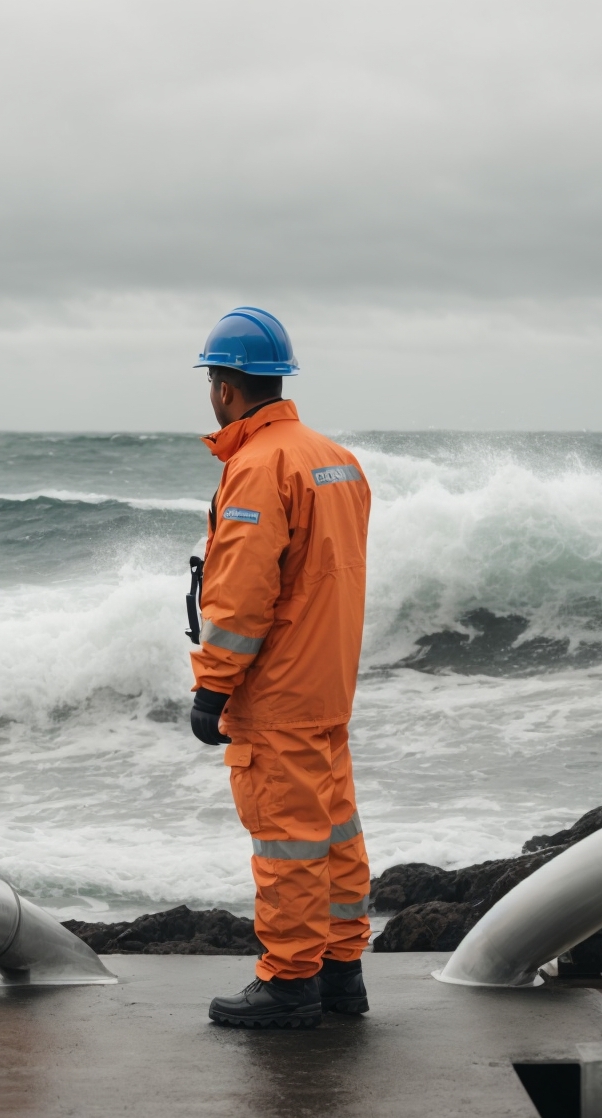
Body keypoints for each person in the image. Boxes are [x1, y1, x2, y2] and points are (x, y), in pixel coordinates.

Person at [184, 307, 372, 1029]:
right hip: (329, 679)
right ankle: (342, 973)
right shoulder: (336, 459)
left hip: (281, 690)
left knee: (287, 836)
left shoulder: (258, 467)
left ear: (227, 389)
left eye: (211, 380)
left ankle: (290, 983)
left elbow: (239, 596)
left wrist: (212, 686)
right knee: (335, 830)